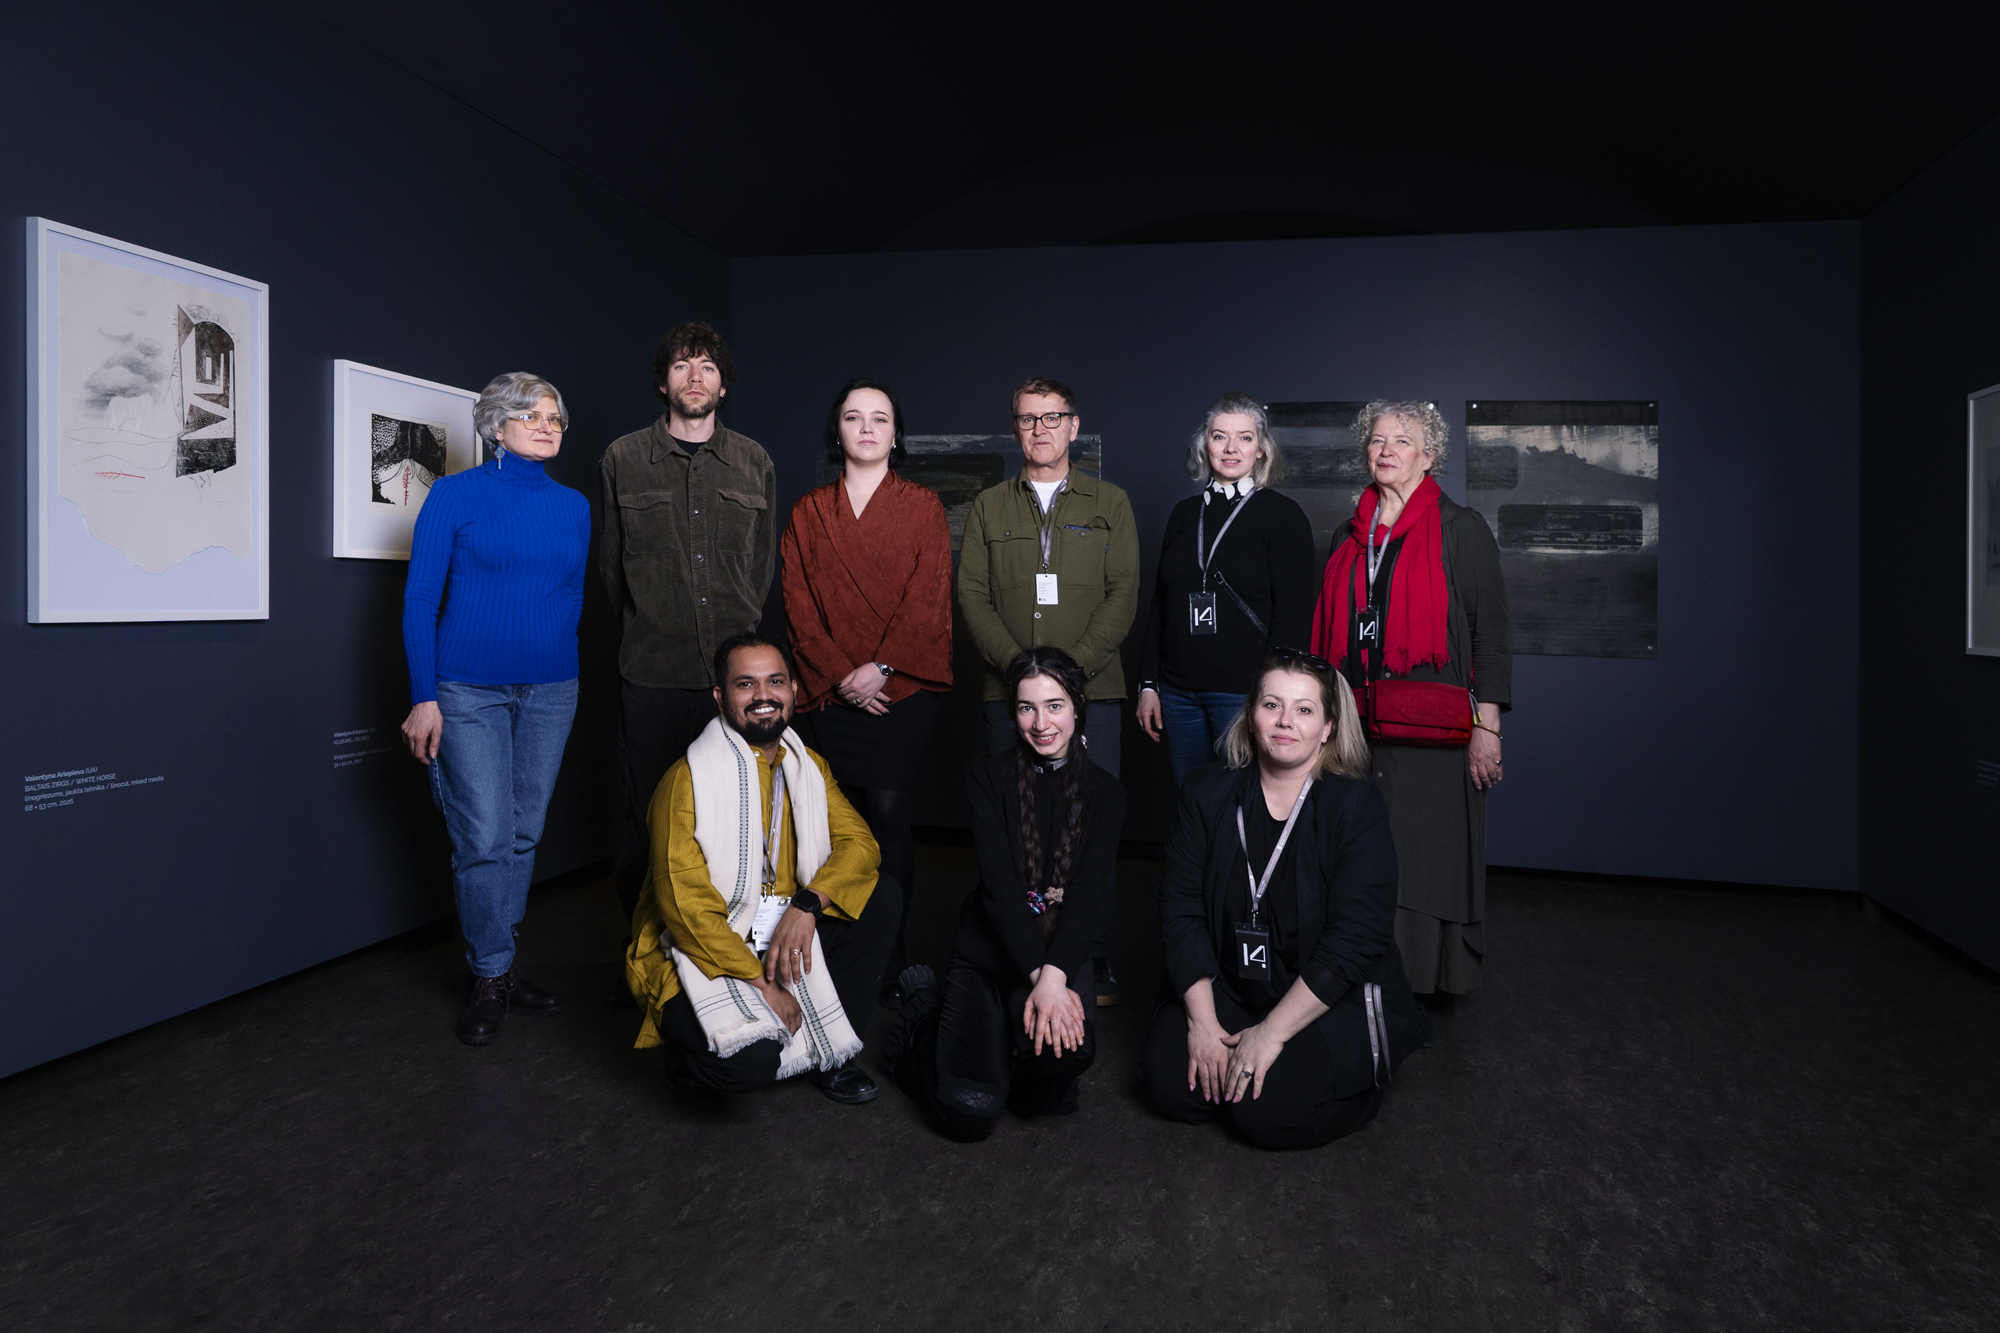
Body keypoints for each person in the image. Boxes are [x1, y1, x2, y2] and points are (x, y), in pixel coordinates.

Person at [1143, 648, 1428, 1149]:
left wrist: (1270, 1034)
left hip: (1323, 994)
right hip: (1234, 983)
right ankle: (1240, 1058)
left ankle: (1359, 1088)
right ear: (1251, 714)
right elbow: (1180, 909)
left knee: (1267, 1115)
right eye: (1271, 704)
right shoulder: (1205, 791)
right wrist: (1203, 1023)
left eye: (1304, 709)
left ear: (1329, 727)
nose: (1285, 721)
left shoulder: (1355, 805)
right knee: (1170, 1086)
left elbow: (1355, 941)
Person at [624, 633, 900, 1104]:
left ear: (793, 690)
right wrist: (762, 985)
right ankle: (685, 1056)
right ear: (720, 697)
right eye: (745, 684)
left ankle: (832, 1057)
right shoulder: (687, 780)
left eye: (775, 681)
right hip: (704, 944)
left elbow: (861, 845)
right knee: (747, 1067)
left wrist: (807, 905)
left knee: (882, 894)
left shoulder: (808, 766)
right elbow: (686, 910)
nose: (763, 695)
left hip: (781, 929)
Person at [398, 373, 591, 1046]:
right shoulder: (454, 495)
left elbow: (572, 595)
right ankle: (490, 972)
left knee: (523, 833)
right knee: (483, 838)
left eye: (554, 417)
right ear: (495, 426)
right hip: (465, 690)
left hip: (551, 689)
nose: (546, 425)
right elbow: (420, 600)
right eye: (530, 415)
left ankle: (500, 964)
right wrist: (424, 695)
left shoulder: (574, 506)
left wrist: (553, 659)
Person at [1308, 401, 1511, 999]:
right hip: (1356, 722)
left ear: (1430, 454)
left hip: (1431, 728)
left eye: (1402, 440)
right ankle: (1356, 974)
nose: (1387, 449)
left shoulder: (1460, 529)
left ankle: (1417, 983)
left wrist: (1488, 728)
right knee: (1358, 852)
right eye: (1377, 440)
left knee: (1425, 854)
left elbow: (1490, 632)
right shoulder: (1347, 535)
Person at [888, 647, 1125, 1141]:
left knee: (1059, 1069)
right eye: (1026, 708)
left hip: (1058, 957)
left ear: (1078, 705)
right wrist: (1044, 983)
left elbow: (1086, 896)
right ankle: (923, 1021)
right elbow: (999, 892)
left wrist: (1054, 979)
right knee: (969, 1113)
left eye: (1054, 705)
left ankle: (1002, 1047)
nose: (1041, 723)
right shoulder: (987, 778)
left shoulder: (1107, 793)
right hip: (988, 956)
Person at [958, 375, 1139, 1004]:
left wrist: (1067, 678)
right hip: (1005, 694)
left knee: (1088, 830)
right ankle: (1023, 952)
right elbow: (971, 595)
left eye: (1052, 417)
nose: (1040, 429)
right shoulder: (989, 506)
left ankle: (1092, 954)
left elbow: (1122, 596)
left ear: (1073, 425)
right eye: (1028, 419)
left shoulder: (1111, 502)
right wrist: (1023, 677)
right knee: (1014, 829)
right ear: (1015, 428)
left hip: (1095, 692)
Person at [598, 322, 777, 926]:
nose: (695, 376)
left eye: (707, 366)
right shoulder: (623, 458)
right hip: (652, 673)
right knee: (649, 820)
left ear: (723, 385)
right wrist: (649, 626)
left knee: (735, 820)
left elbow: (760, 568)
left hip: (734, 681)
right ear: (662, 382)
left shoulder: (754, 461)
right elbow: (611, 572)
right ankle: (645, 953)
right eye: (681, 365)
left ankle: (725, 947)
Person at [780, 378, 953, 999]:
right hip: (833, 692)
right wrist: (840, 674)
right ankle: (843, 946)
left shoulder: (924, 507)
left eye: (880, 418)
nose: (867, 428)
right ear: (838, 430)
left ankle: (892, 951)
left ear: (896, 433)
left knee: (888, 815)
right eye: (854, 417)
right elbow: (798, 604)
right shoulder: (808, 512)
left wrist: (880, 667)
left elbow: (929, 598)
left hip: (900, 690)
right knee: (838, 821)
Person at [1137, 392, 1319, 785]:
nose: (1231, 448)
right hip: (1178, 692)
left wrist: (1272, 696)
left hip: (1243, 693)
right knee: (1191, 799)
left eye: (1245, 438)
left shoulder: (1282, 515)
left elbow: (1294, 613)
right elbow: (1160, 603)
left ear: (1261, 449)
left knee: (1243, 799)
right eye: (1220, 436)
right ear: (1205, 445)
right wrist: (1149, 685)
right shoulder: (1184, 514)